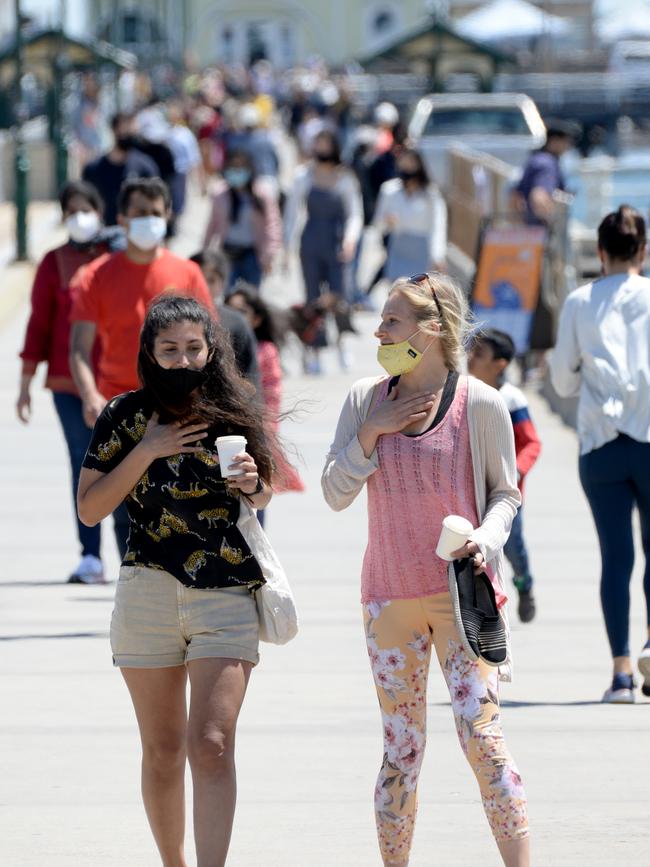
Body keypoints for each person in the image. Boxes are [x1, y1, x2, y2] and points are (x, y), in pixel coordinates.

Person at [322, 272, 529, 867]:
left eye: (392, 321)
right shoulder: (367, 398)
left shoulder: (480, 403)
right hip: (388, 600)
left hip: (462, 600)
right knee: (401, 752)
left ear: (432, 329)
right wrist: (370, 433)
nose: (379, 331)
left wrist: (486, 539)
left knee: (483, 740)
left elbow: (505, 494)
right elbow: (335, 493)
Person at [77, 295, 273, 867]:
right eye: (170, 350)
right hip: (147, 593)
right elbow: (90, 509)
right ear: (150, 353)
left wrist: (253, 481)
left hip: (225, 591)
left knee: (210, 746)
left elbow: (263, 495)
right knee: (162, 751)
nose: (183, 361)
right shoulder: (124, 415)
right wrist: (148, 449)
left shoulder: (235, 411)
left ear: (211, 350)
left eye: (194, 348)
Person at [69, 177, 214, 558]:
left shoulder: (187, 273)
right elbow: (79, 350)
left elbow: (210, 347)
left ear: (167, 215)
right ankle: (131, 576)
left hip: (175, 403)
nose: (148, 221)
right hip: (117, 407)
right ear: (121, 218)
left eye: (155, 213)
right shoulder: (95, 276)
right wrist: (90, 396)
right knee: (120, 505)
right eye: (139, 214)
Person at [550, 205, 650, 703]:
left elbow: (564, 378)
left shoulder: (580, 301)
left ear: (603, 253)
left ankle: (622, 673)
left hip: (601, 442)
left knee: (616, 557)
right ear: (645, 251)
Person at [16, 180, 121, 584]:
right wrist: (25, 383)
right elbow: (38, 324)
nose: (80, 216)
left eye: (86, 208)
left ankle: (134, 554)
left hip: (117, 381)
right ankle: (90, 556)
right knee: (84, 465)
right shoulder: (53, 262)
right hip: (67, 384)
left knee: (127, 465)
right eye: (71, 209)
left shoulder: (117, 258)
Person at [468, 328, 542, 622]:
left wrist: (517, 470)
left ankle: (524, 583)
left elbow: (532, 442)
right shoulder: (465, 391)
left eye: (480, 354)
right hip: (471, 488)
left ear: (500, 363)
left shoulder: (511, 399)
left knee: (513, 548)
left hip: (504, 493)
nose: (470, 359)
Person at [283, 129, 363, 371]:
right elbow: (291, 213)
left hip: (337, 241)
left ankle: (342, 343)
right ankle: (314, 349)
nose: (323, 148)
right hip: (311, 239)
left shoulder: (346, 178)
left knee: (340, 296)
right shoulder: (303, 176)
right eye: (319, 143)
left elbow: (355, 213)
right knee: (312, 298)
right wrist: (286, 247)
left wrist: (350, 239)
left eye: (327, 143)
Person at [225, 285, 305, 525]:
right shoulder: (213, 348)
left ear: (257, 319)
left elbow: (271, 396)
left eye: (242, 311)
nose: (235, 316)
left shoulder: (265, 351)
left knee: (257, 495)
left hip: (256, 433)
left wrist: (265, 435)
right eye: (229, 310)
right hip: (226, 436)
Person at [203, 150, 282, 290]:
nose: (236, 173)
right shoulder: (220, 194)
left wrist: (269, 254)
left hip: (251, 253)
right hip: (227, 251)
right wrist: (205, 250)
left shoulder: (262, 194)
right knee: (227, 294)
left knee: (251, 296)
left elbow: (273, 224)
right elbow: (212, 223)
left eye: (240, 169)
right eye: (232, 169)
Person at [373, 147, 447, 281]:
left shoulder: (430, 195)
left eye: (411, 162)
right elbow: (378, 225)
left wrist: (438, 255)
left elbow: (438, 225)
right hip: (398, 247)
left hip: (421, 252)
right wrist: (387, 222)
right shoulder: (389, 190)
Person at [189, 249, 260, 385]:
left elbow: (250, 375)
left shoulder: (236, 323)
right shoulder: (173, 322)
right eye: (198, 278)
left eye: (211, 280)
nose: (203, 285)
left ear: (223, 284)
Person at [82, 112, 159, 225]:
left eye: (133, 132)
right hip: (103, 233)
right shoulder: (93, 169)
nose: (130, 135)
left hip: (135, 233)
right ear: (114, 130)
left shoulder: (145, 166)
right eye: (126, 131)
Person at [512, 122, 573, 226]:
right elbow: (538, 195)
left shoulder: (536, 159)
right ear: (554, 141)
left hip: (528, 227)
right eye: (565, 143)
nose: (567, 147)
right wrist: (547, 222)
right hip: (538, 228)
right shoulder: (547, 164)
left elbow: (515, 195)